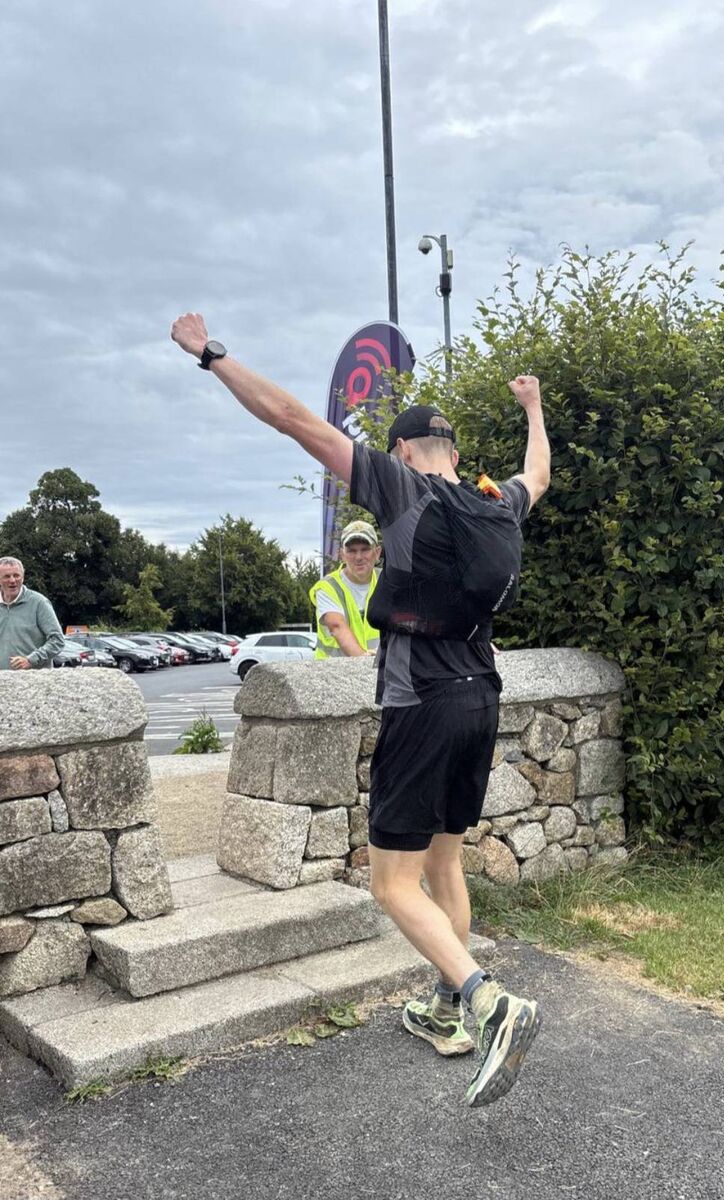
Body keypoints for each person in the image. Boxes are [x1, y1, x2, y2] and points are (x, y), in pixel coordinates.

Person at [170, 314, 551, 1108]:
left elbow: (291, 418)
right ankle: (445, 1008)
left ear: (406, 451)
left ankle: (488, 1002)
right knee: (443, 863)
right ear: (454, 450)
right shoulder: (497, 504)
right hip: (483, 698)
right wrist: (533, 411)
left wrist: (212, 355)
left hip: (420, 707)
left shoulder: (400, 488)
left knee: (390, 885)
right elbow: (539, 475)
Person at [309, 519, 381, 658]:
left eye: (365, 549)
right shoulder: (328, 587)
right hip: (332, 676)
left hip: (379, 674)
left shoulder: (388, 582)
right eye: (351, 551)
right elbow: (337, 627)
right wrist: (364, 663)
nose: (358, 557)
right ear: (342, 554)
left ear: (377, 552)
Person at [0, 556, 65, 670]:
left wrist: (31, 660)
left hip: (34, 682)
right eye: (6, 576)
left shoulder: (39, 603)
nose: (12, 580)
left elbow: (57, 640)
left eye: (16, 575)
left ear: (23, 577)